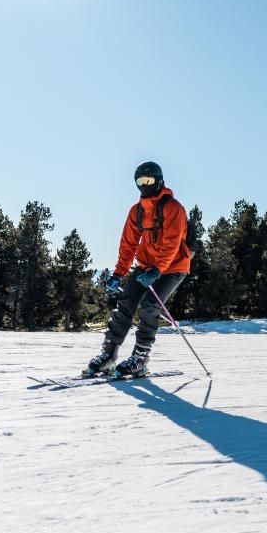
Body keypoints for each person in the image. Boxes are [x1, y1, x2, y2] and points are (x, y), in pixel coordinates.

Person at [84, 161, 191, 378]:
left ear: (159, 181)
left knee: (150, 305)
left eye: (149, 180)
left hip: (173, 267)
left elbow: (172, 242)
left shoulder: (173, 208)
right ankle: (108, 355)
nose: (145, 185)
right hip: (146, 266)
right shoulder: (137, 212)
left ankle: (140, 357)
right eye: (140, 181)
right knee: (125, 303)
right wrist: (118, 273)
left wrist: (158, 269)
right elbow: (128, 244)